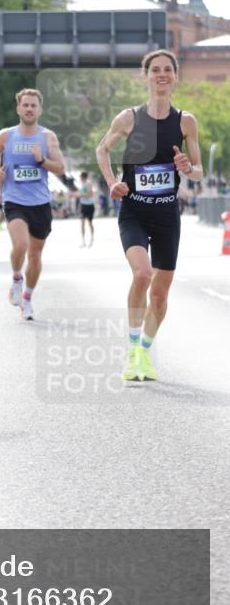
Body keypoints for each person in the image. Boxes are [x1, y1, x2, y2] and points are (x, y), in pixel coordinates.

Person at [95, 49, 202, 382]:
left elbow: (198, 170)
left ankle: (144, 349)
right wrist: (113, 182)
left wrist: (189, 167)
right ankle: (131, 352)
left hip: (168, 213)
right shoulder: (128, 118)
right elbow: (102, 149)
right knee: (142, 275)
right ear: (145, 76)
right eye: (154, 69)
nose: (161, 74)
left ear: (174, 76)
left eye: (167, 69)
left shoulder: (186, 121)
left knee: (160, 294)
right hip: (135, 211)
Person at [0, 88, 65, 320]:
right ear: (18, 108)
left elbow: (60, 167)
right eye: (26, 105)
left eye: (34, 105)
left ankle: (28, 298)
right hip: (14, 199)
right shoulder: (6, 135)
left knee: (35, 255)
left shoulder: (47, 136)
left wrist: (42, 160)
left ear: (39, 110)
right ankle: (16, 278)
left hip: (40, 202)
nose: (29, 109)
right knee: (20, 245)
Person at [78, 170, 96, 247]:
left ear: (83, 177)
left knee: (90, 222)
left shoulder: (88, 184)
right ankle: (83, 241)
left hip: (89, 205)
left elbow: (90, 194)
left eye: (80, 177)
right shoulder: (81, 185)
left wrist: (81, 195)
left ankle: (92, 238)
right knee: (82, 222)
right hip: (83, 205)